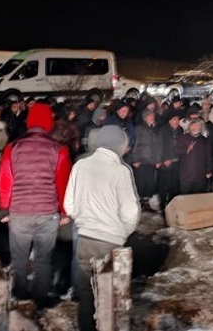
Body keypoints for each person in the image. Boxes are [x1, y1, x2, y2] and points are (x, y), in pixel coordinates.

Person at [64, 125, 141, 331]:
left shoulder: (80, 166)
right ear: (119, 145)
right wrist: (123, 231)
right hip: (111, 243)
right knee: (109, 294)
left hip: (85, 239)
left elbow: (69, 205)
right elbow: (131, 211)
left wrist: (84, 220)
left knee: (86, 293)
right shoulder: (120, 170)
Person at [0, 102, 72, 309]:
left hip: (19, 213)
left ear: (29, 122)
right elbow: (63, 184)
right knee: (43, 260)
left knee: (19, 259)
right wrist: (64, 212)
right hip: (47, 214)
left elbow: (5, 180)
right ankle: (39, 300)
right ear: (49, 123)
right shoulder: (59, 149)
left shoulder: (13, 148)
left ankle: (20, 297)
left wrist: (5, 207)